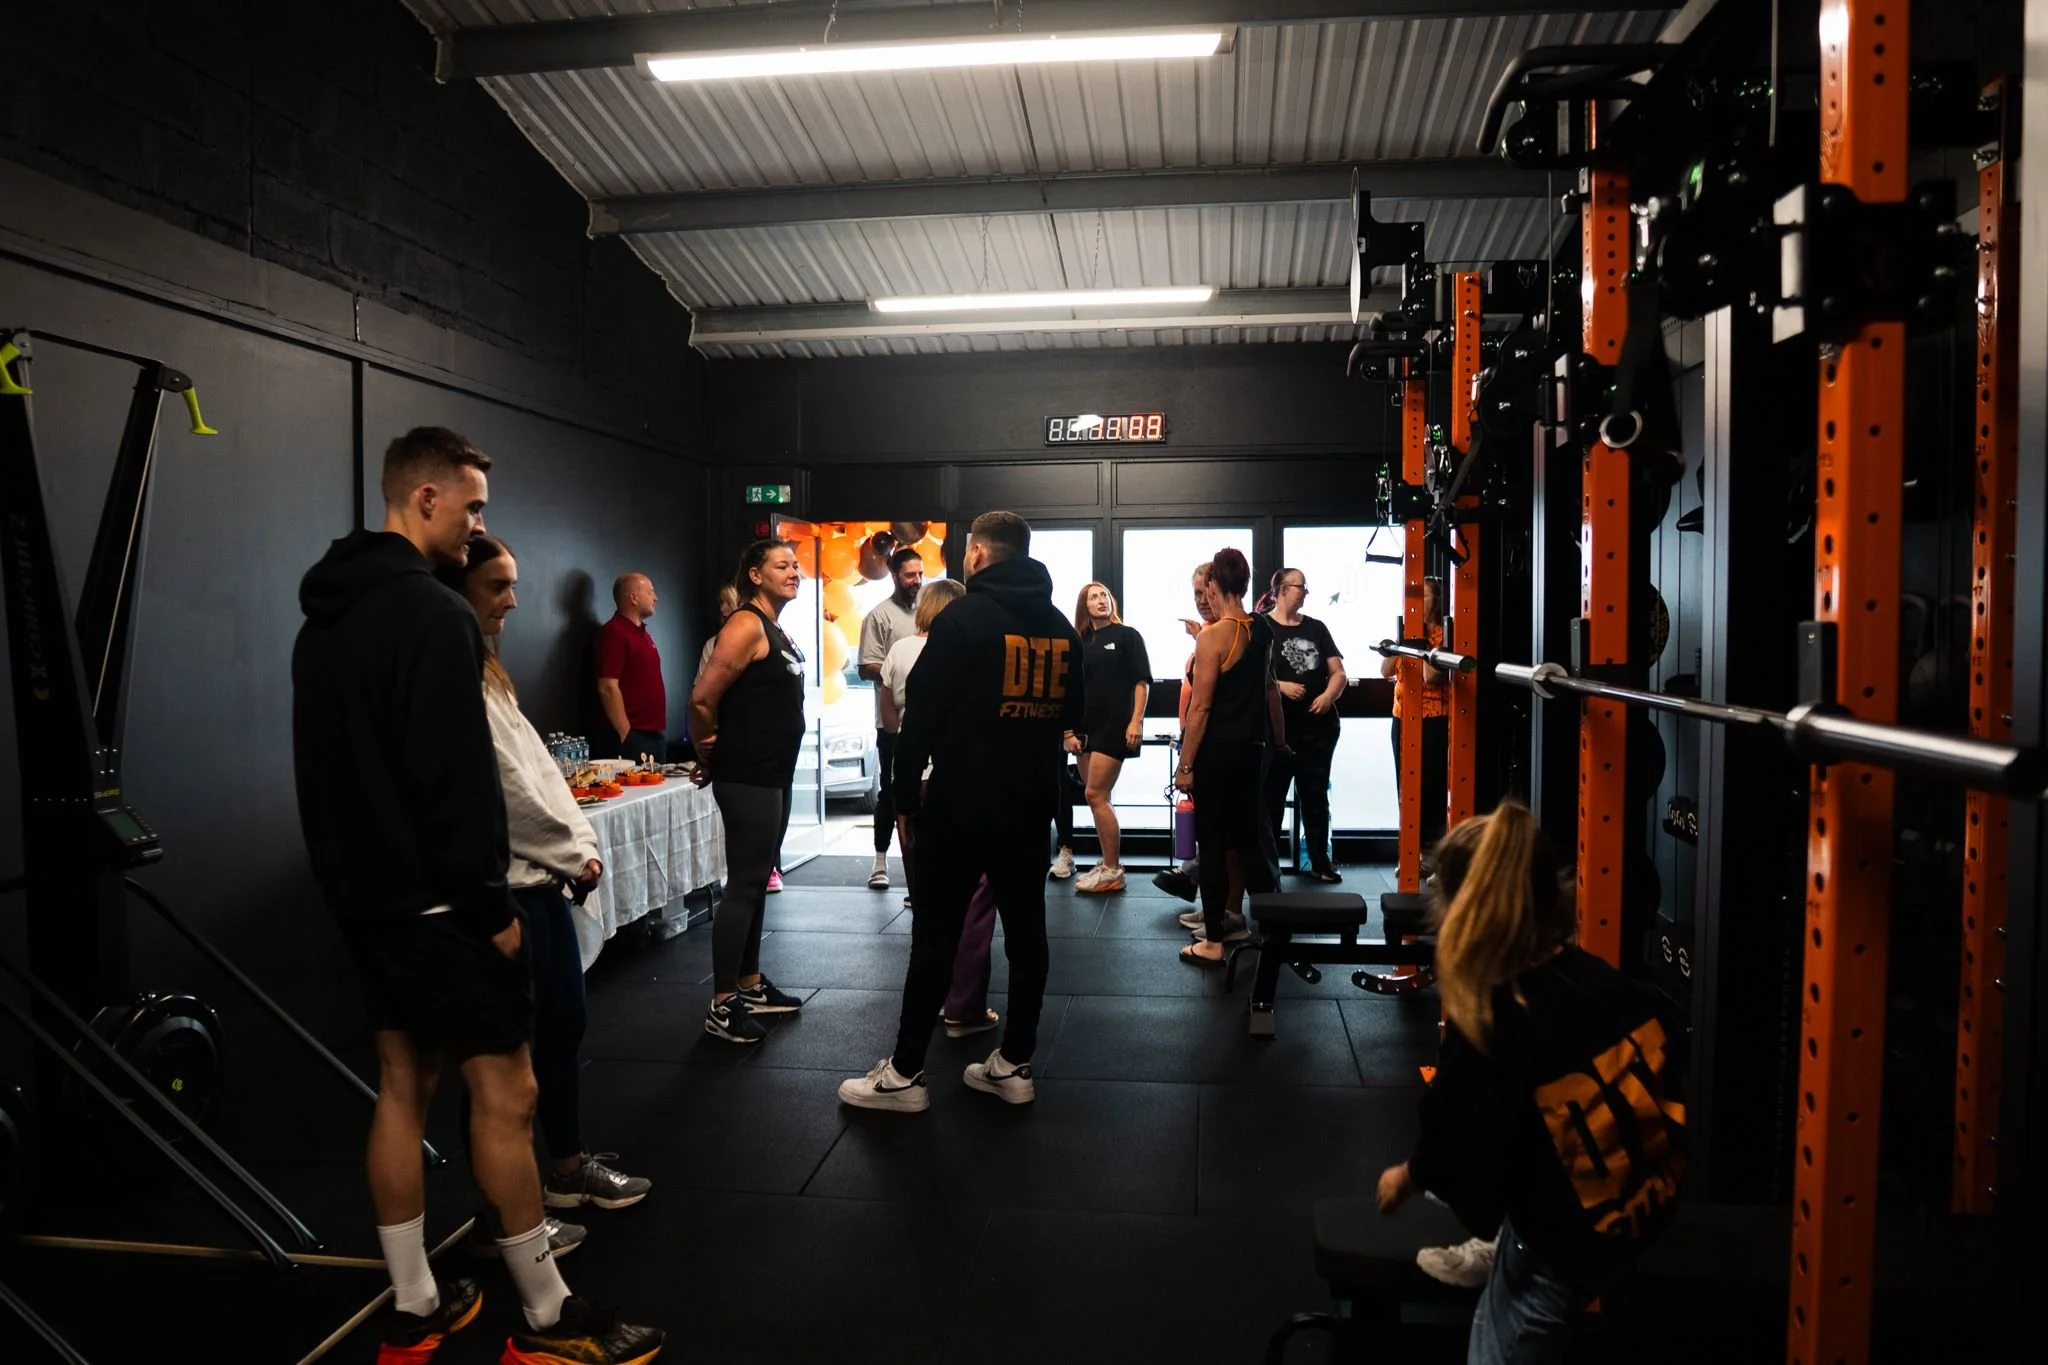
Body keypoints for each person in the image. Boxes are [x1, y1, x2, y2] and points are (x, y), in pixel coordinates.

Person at [293, 426, 661, 1365]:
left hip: (369, 903)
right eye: (473, 506)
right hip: (448, 908)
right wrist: (491, 910)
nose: (478, 525)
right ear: (424, 498)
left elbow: (324, 777)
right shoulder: (432, 614)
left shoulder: (324, 619)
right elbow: (453, 781)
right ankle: (547, 1319)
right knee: (510, 1092)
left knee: (401, 1087)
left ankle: (415, 1302)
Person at [1376, 802, 1685, 1363]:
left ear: (1460, 910)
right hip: (1650, 1208)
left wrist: (1408, 1176)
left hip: (1567, 1248)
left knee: (1498, 1344)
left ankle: (1503, 1247)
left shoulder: (1494, 1022)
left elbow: (1451, 1142)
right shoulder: (1608, 984)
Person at [437, 534, 653, 1240]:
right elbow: (501, 793)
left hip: (542, 887)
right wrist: (572, 850)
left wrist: (579, 848)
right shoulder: (452, 672)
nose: (512, 599)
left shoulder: (489, 670)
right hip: (501, 896)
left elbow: (539, 776)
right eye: (498, 585)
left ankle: (564, 1171)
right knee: (503, 1074)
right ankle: (507, 1217)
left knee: (564, 1029)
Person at [838, 511, 1081, 1112]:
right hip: (1028, 805)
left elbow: (919, 722)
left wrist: (902, 800)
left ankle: (904, 1074)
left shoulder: (963, 620)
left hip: (962, 803)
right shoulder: (1060, 629)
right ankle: (1013, 1063)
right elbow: (1070, 715)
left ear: (975, 554)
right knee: (1027, 934)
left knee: (936, 934)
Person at [690, 540, 808, 1044]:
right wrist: (706, 752)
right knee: (743, 883)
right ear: (755, 575)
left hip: (772, 771)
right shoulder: (744, 624)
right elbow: (701, 697)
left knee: (758, 878)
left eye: (796, 565)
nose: (794, 571)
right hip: (748, 774)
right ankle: (722, 1002)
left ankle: (750, 983)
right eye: (782, 565)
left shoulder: (775, 626)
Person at [879, 579, 996, 1036]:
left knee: (926, 905)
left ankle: (926, 1004)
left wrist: (902, 783)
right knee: (974, 899)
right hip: (953, 781)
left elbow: (890, 724)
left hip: (912, 779)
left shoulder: (900, 651)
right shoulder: (969, 650)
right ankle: (962, 1007)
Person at [1175, 548, 1286, 967]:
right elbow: (1267, 687)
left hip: (1217, 755)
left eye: (1206, 589)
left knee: (1215, 844)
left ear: (1216, 586)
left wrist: (1185, 766)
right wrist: (1280, 742)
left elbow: (1200, 709)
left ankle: (1214, 941)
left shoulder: (1213, 636)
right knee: (1248, 844)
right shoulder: (1262, 630)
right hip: (1252, 753)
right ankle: (1269, 927)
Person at [1262, 567, 1348, 882]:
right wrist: (1280, 686)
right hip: (1279, 731)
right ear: (1282, 590)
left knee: (1314, 795)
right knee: (1271, 800)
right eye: (1300, 586)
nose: (1306, 592)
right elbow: (1252, 676)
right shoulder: (1262, 627)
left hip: (1318, 729)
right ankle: (1267, 867)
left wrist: (1328, 696)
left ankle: (1319, 863)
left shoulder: (1317, 627)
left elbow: (1339, 672)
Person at [1068, 583, 1151, 896]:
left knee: (1095, 794)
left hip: (1115, 727)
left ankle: (1114, 870)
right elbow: (1070, 688)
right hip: (1085, 729)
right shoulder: (1080, 641)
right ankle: (1107, 864)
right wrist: (1067, 731)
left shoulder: (1127, 635)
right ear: (1084, 606)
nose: (1101, 600)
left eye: (1104, 595)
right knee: (1098, 798)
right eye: (1093, 597)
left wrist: (1136, 721)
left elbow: (1141, 682)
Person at [859, 545, 925, 892]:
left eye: (920, 574)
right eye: (910, 575)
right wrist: (900, 667)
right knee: (890, 791)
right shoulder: (879, 616)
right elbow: (865, 665)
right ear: (895, 575)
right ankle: (880, 861)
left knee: (927, 792)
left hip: (927, 721)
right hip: (891, 723)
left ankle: (925, 871)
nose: (917, 580)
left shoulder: (929, 612)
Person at [1155, 563, 1216, 903]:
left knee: (1214, 830)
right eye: (1196, 593)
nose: (1202, 599)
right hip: (1192, 739)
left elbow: (1208, 703)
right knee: (1200, 823)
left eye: (1207, 591)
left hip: (1210, 745)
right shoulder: (1207, 634)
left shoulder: (1222, 634)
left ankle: (1221, 915)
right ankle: (1201, 891)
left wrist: (1189, 760)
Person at [1381, 577, 1451, 854]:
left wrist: (1420, 644)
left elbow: (1431, 676)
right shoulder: (1406, 631)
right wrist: (1400, 641)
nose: (1415, 603)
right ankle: (1410, 851)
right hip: (1402, 717)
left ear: (1436, 601)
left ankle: (1432, 850)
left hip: (1434, 719)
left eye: (1423, 597)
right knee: (1405, 786)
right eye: (1412, 597)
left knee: (1431, 787)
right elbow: (1386, 670)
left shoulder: (1444, 634)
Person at [595, 572, 666, 763]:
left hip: (653, 736)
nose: (656, 597)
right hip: (633, 737)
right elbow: (607, 687)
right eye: (650, 592)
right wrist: (626, 734)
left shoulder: (643, 634)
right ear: (633, 597)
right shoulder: (614, 632)